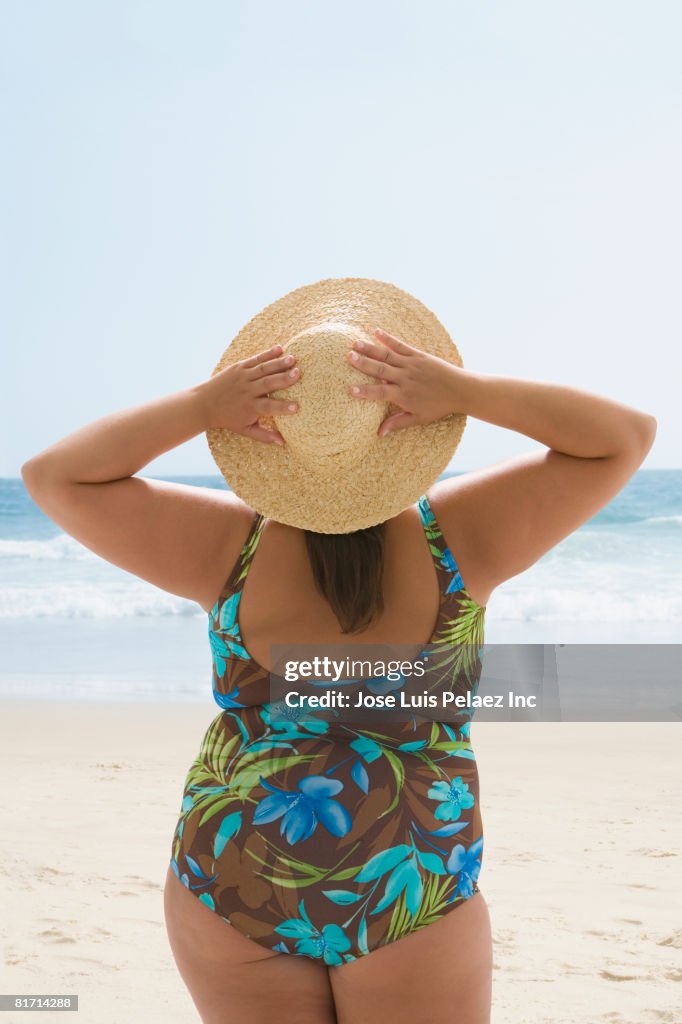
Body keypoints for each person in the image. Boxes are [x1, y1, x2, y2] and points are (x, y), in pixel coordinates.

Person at [21, 278, 656, 1024]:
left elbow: (53, 475)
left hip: (237, 864)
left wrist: (202, 408)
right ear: (408, 423)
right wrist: (466, 391)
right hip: (408, 870)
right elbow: (625, 436)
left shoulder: (224, 545)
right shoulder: (466, 535)